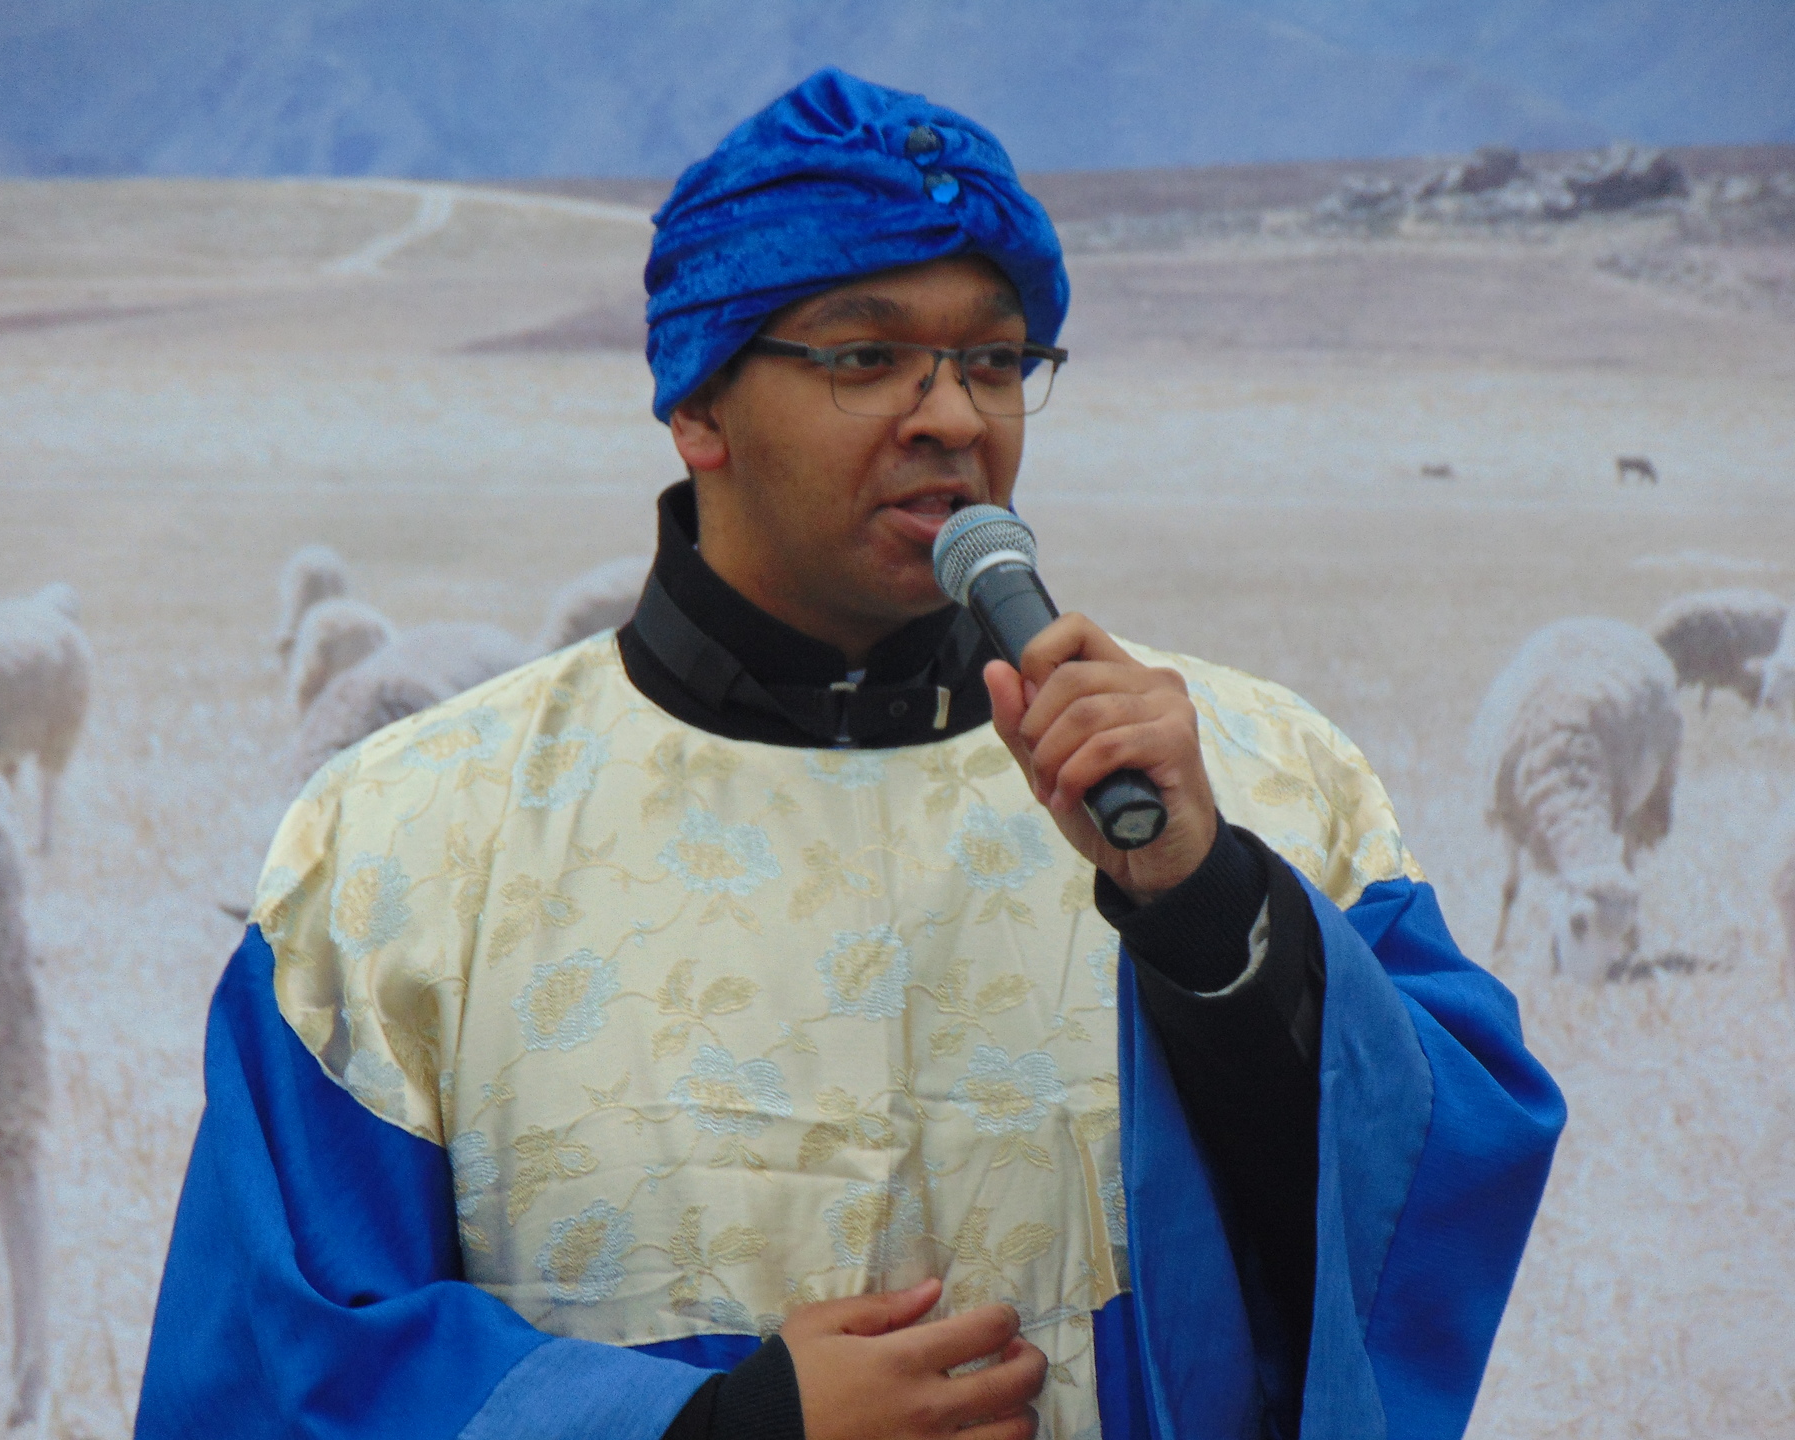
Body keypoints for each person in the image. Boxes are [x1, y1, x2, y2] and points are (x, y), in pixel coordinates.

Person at [138, 70, 1564, 1440]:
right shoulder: (407, 841)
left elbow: (1435, 1189)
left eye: (995, 360)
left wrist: (1210, 916)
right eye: (866, 356)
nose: (954, 416)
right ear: (699, 405)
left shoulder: (1253, 778)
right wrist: (724, 1430)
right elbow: (276, 1364)